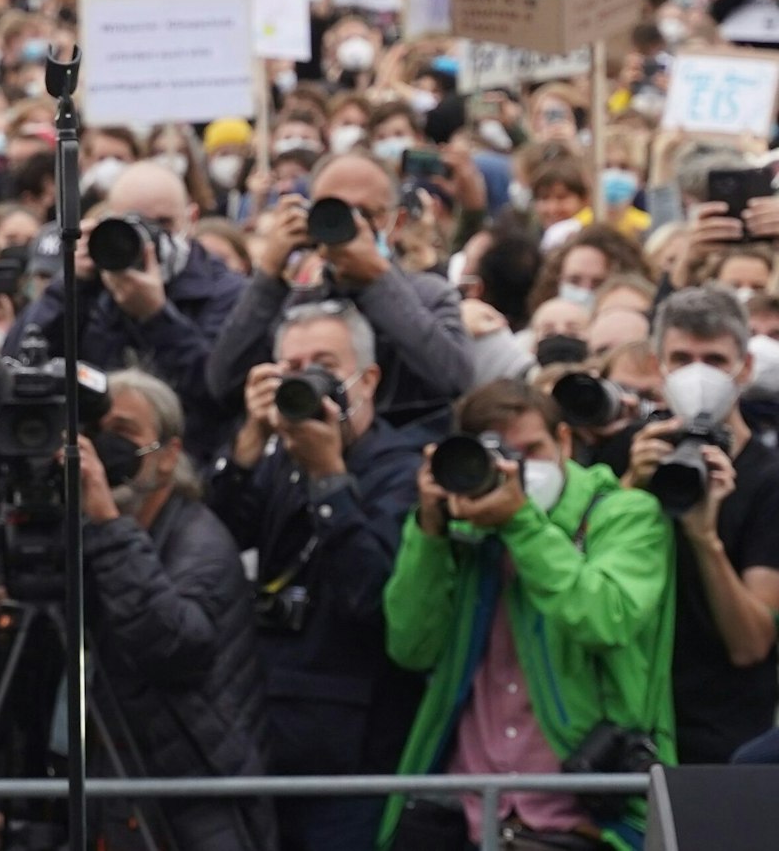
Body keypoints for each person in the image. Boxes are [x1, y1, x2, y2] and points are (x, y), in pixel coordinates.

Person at [381, 380, 674, 850]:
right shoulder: (461, 526)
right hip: (466, 811)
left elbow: (606, 619)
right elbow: (411, 646)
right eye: (498, 456)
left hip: (583, 815)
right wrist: (430, 533)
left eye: (530, 450)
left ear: (563, 441)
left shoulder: (624, 514)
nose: (515, 469)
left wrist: (522, 525)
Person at [206, 302, 433, 851]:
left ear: (368, 378)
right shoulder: (277, 459)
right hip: (263, 732)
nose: (307, 380)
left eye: (324, 364)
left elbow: (373, 595)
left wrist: (330, 478)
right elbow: (215, 541)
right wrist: (245, 447)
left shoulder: (402, 471)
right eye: (293, 367)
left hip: (355, 751)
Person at [77, 369, 276, 851]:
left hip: (192, 796)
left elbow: (174, 647)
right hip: (118, 782)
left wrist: (106, 522)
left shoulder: (200, 542)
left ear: (167, 456)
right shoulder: (92, 533)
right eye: (96, 433)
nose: (106, 451)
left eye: (123, 433)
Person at [623, 288, 779, 765]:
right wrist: (630, 488)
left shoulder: (770, 480)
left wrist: (704, 536)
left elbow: (752, 643)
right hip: (631, 729)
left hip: (724, 737)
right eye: (681, 358)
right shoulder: (628, 457)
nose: (697, 373)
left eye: (714, 359)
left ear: (744, 369)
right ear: (658, 366)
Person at [207, 153, 473, 431]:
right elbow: (223, 382)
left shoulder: (429, 294)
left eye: (366, 213)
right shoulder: (296, 304)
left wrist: (378, 281)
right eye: (335, 209)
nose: (351, 223)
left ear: (397, 220)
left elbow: (455, 378)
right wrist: (269, 275)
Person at [8, 161, 247, 459]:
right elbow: (17, 364)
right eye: (133, 224)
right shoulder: (90, 284)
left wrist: (157, 317)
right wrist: (69, 286)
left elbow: (219, 393)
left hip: (188, 460)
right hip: (93, 457)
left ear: (192, 219)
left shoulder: (227, 292)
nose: (148, 239)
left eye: (163, 224)